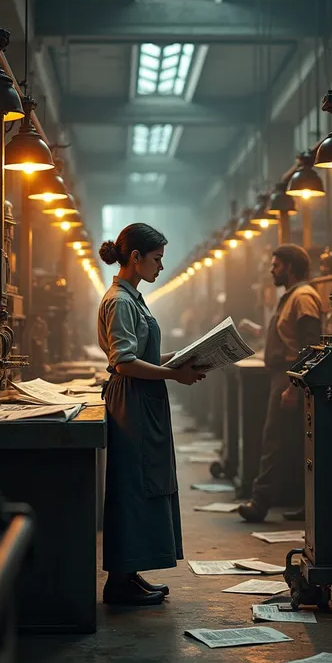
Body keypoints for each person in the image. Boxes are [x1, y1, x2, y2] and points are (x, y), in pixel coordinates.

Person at [98, 223, 205, 607]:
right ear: (135, 257)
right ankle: (119, 582)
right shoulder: (122, 302)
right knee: (133, 485)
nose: (161, 267)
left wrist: (178, 358)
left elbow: (138, 356)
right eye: (156, 259)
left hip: (144, 398)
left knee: (144, 483)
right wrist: (174, 374)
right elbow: (124, 362)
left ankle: (129, 573)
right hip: (133, 400)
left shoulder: (135, 298)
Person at [238, 244, 322, 523]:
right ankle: (303, 502)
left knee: (274, 439)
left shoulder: (304, 297)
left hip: (289, 376)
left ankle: (260, 502)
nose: (271, 270)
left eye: (275, 266)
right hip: (283, 375)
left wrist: (294, 386)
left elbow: (309, 346)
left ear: (289, 266)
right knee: (290, 441)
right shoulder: (291, 297)